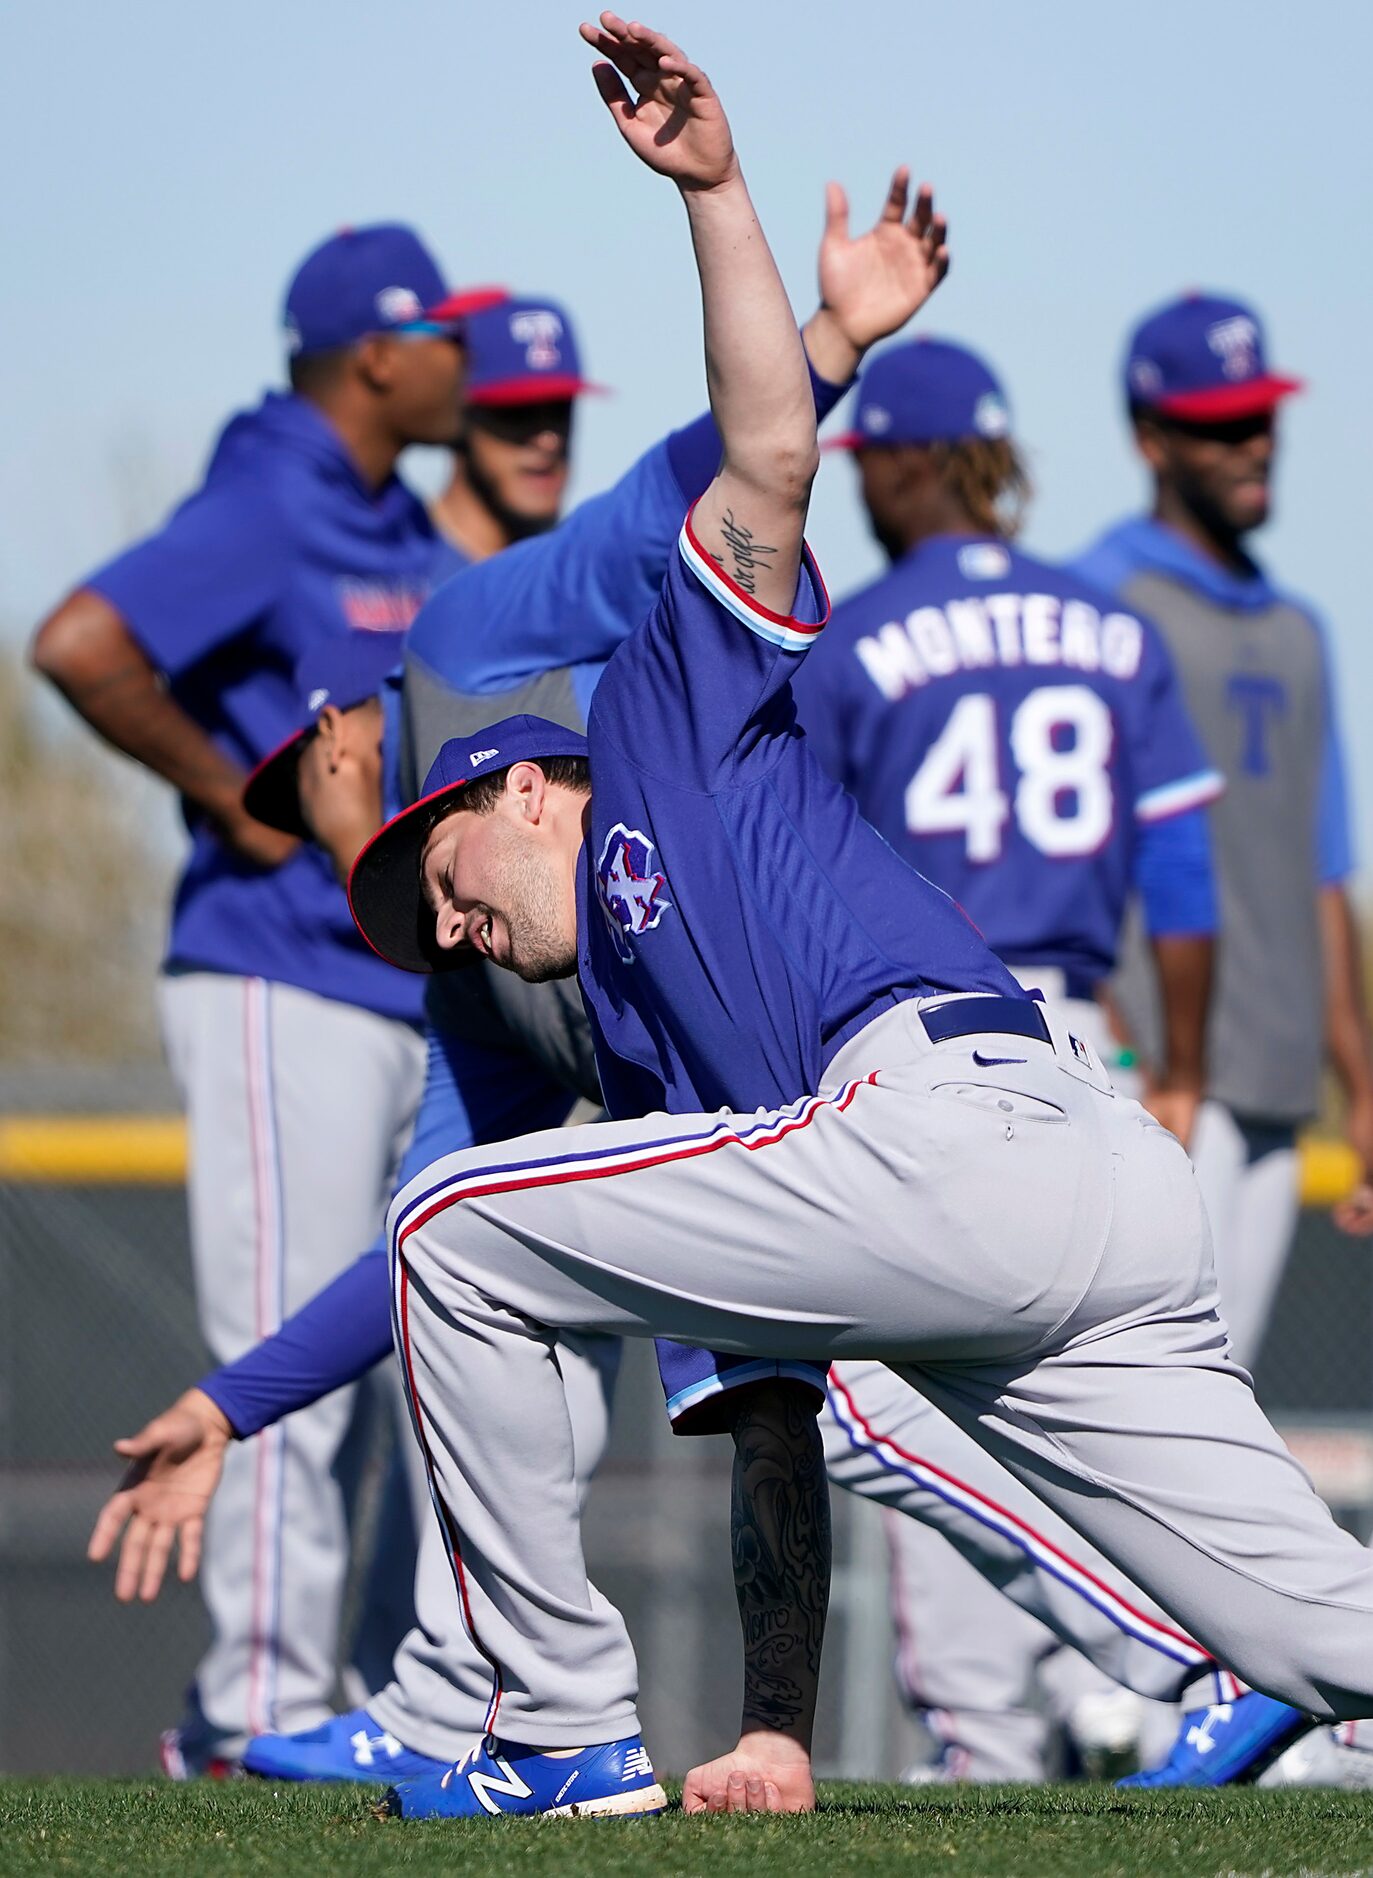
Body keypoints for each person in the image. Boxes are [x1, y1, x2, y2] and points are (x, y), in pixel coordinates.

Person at [337, 19, 1373, 1821]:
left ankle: (559, 1728)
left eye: (440, 874)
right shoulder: (658, 1054)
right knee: (1326, 1632)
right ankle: (603, 1725)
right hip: (1089, 1190)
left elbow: (759, 442)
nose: (451, 924)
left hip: (963, 1126)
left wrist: (718, 195)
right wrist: (773, 1723)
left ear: (524, 789)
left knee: (444, 1222)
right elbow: (766, 1426)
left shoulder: (666, 703)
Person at [88, 164, 958, 1785]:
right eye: (511, 419)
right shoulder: (481, 980)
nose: (533, 440)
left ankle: (1190, 1656)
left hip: (890, 1054)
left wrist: (833, 336)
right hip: (761, 1078)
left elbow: (677, 494)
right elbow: (415, 1260)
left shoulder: (462, 635)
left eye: (312, 771)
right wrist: (230, 1398)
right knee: (512, 1311)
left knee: (946, 1425)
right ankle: (458, 1704)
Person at [29, 224, 497, 1774]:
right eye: (445, 335)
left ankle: (332, 1698)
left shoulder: (383, 519)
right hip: (266, 973)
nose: (465, 361)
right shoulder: (272, 494)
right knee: (282, 1355)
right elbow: (81, 641)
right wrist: (226, 799)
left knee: (374, 1367)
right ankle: (254, 1714)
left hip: (369, 983)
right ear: (374, 353)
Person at [788, 333, 1225, 1784]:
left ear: (916, 460)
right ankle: (1169, 1693)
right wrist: (1180, 1065)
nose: (857, 488)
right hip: (1088, 1039)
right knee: (1099, 1394)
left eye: (870, 463)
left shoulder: (856, 635)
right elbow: (1181, 872)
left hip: (925, 1032)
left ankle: (985, 1741)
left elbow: (809, 873)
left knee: (911, 1389)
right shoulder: (1112, 625)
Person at [1071, 290, 1373, 1786]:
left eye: (1259, 419)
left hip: (1264, 1077)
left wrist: (1363, 1088)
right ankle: (1100, 1694)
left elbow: (1326, 871)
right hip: (1141, 1069)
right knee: (1125, 1402)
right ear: (1148, 437)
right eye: (1212, 425)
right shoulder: (1094, 597)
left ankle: (1223, 1694)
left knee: (1218, 1412)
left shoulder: (1303, 626)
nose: (1248, 444)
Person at [431, 294, 602, 564]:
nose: (548, 440)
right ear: (457, 414)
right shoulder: (394, 570)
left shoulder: (581, 577)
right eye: (518, 412)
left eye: (559, 411)